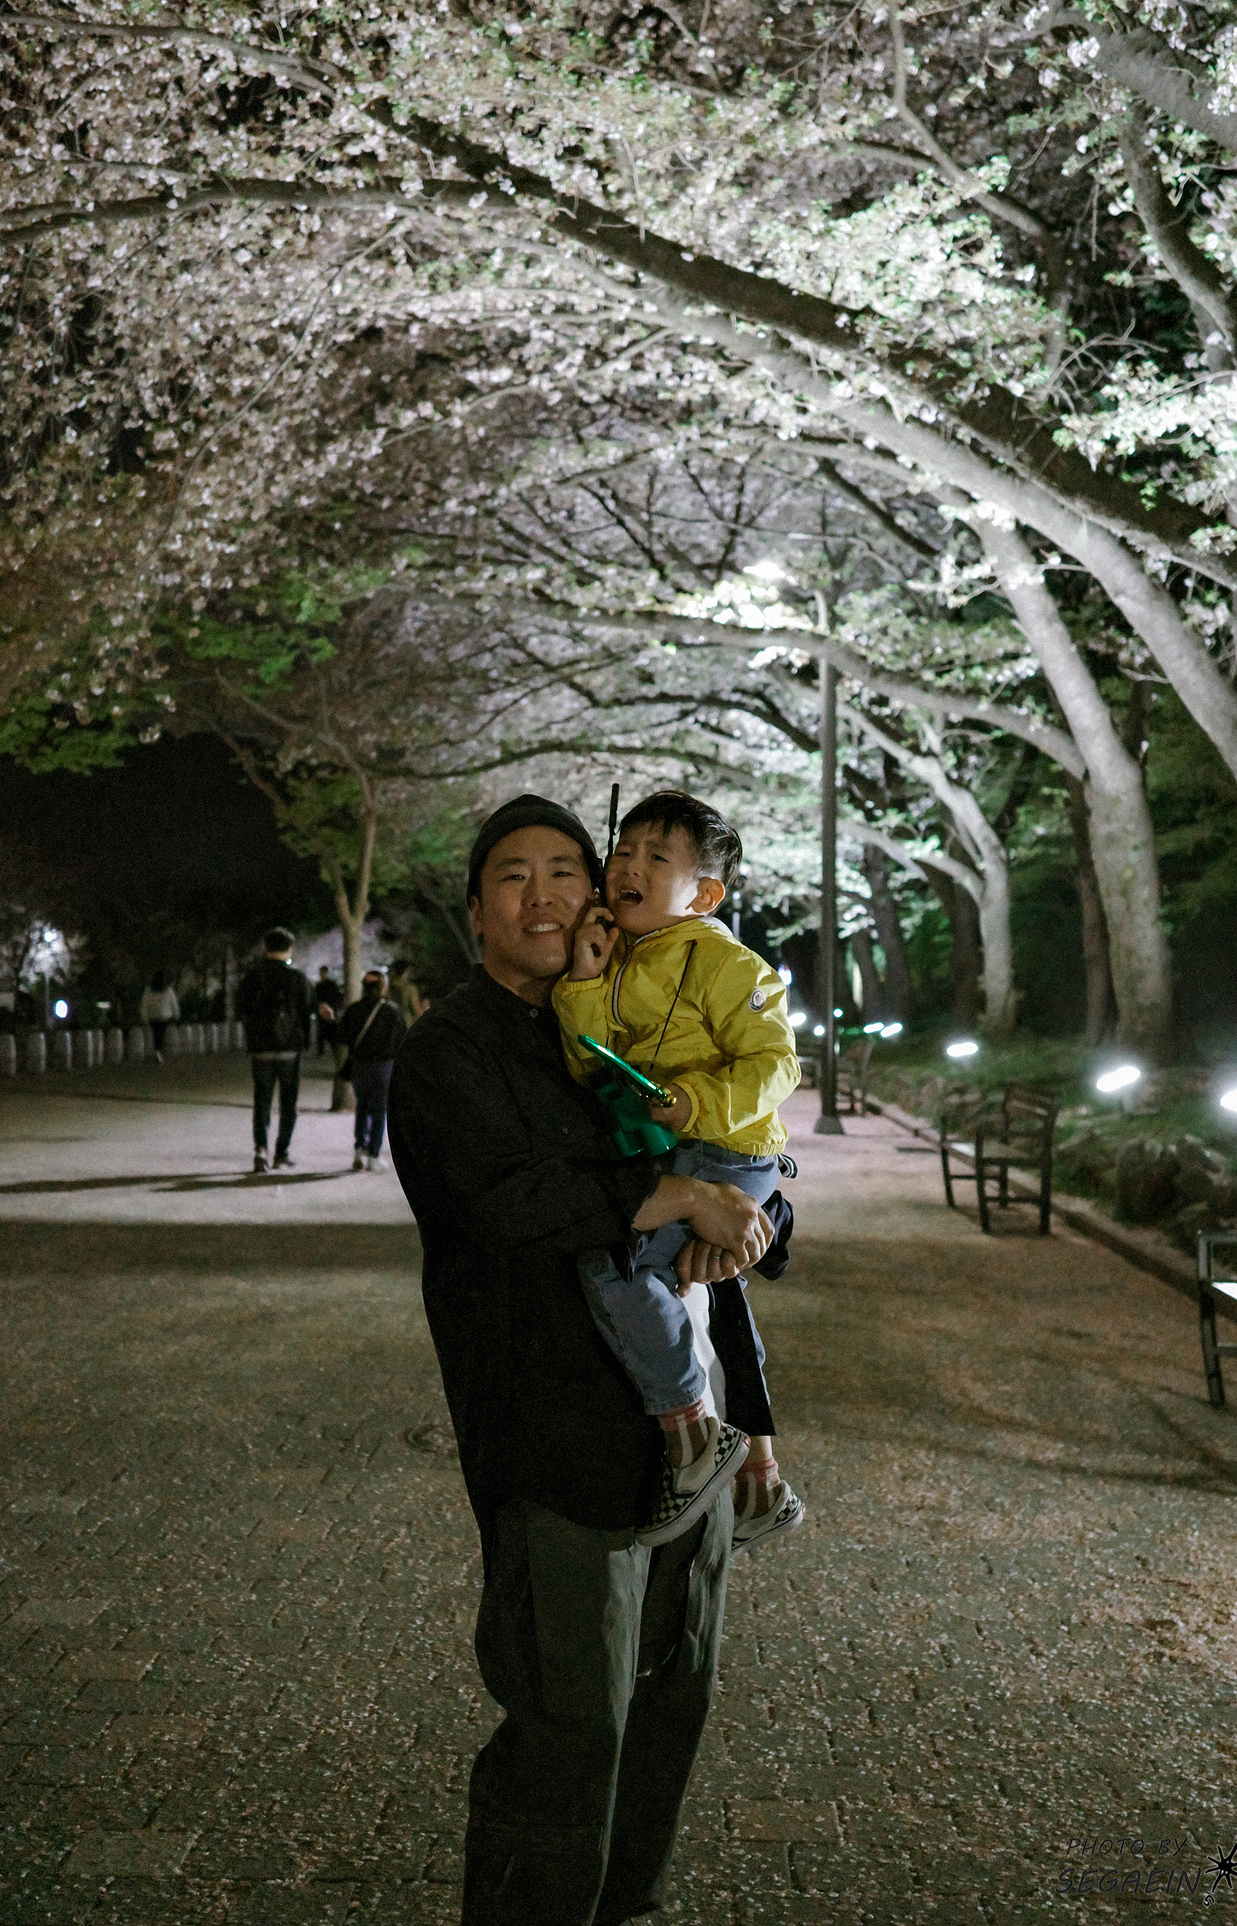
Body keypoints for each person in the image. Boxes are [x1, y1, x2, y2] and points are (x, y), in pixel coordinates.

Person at [387, 793, 773, 1926]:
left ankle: (628, 1905)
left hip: (695, 1446)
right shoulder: (450, 1049)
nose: (549, 894)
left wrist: (755, 1404)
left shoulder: (634, 1018)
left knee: (670, 1707)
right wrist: (681, 1195)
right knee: (569, 1734)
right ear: (475, 910)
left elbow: (734, 1197)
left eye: (569, 869)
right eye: (514, 876)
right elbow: (503, 1204)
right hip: (557, 1446)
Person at [555, 790, 804, 1553]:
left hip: (727, 1151)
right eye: (622, 852)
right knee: (704, 1288)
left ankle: (692, 1433)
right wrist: (585, 981)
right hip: (669, 1154)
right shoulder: (614, 955)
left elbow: (777, 1064)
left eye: (654, 858)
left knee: (618, 1262)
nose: (627, 867)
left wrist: (695, 1101)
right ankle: (758, 1480)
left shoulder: (728, 964)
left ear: (703, 895)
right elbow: (588, 1064)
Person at [238, 927, 314, 1174]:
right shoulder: (297, 978)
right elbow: (306, 1010)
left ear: (265, 948)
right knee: (288, 1103)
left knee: (262, 1100)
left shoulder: (252, 978)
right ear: (289, 949)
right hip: (289, 1049)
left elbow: (242, 1009)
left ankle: (260, 1151)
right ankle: (281, 1153)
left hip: (261, 1048)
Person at [335, 968, 405, 1171]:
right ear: (383, 987)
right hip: (384, 1067)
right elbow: (402, 1040)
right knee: (379, 1111)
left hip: (360, 1066)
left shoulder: (354, 1009)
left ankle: (359, 1149)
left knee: (362, 1107)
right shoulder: (392, 1011)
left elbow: (343, 1037)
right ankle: (374, 1155)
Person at [139, 971, 179, 1063]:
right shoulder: (168, 990)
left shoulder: (149, 991)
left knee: (156, 1034)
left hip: (153, 1016)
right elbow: (173, 1003)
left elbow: (144, 1005)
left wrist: (144, 1017)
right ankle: (158, 1051)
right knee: (161, 1034)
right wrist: (176, 1015)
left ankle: (157, 1051)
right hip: (164, 1016)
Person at [314, 964, 343, 1056]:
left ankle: (321, 1051)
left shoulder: (320, 985)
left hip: (322, 1011)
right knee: (331, 1032)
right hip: (331, 1011)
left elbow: (316, 999)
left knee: (322, 1032)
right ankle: (333, 1050)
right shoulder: (332, 985)